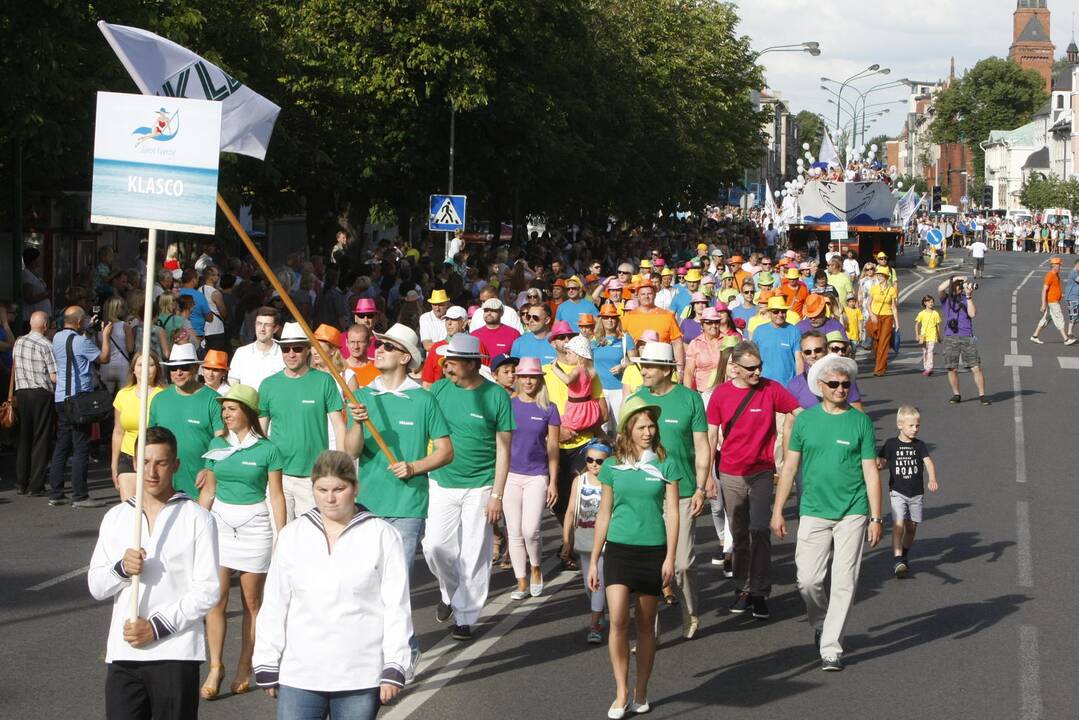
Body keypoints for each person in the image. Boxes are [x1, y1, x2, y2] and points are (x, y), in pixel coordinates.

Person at [253, 450, 412, 719]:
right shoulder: (293, 535)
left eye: (339, 488)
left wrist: (395, 663)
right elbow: (276, 601)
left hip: (359, 676)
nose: (330, 498)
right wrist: (266, 658)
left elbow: (396, 605)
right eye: (322, 489)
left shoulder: (382, 535)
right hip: (300, 674)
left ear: (355, 487)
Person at [88, 426, 220, 720]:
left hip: (175, 654)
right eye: (145, 462)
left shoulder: (197, 518)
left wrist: (156, 627)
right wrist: (122, 570)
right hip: (124, 654)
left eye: (161, 463)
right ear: (134, 463)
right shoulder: (117, 517)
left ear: (175, 465)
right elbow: (96, 586)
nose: (152, 472)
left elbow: (208, 590)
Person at [344, 323, 453, 665]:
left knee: (395, 584)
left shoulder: (424, 399)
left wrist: (414, 467)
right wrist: (358, 423)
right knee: (364, 583)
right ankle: (372, 649)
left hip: (407, 504)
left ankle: (403, 651)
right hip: (366, 505)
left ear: (406, 357)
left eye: (388, 347)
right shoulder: (363, 395)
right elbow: (350, 451)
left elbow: (445, 452)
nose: (378, 350)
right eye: (379, 345)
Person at [771, 354, 883, 672]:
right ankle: (821, 622)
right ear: (820, 386)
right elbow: (790, 466)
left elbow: (871, 473)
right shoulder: (805, 420)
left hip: (853, 510)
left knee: (844, 580)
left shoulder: (860, 421)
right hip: (813, 509)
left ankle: (831, 646)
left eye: (846, 384)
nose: (840, 389)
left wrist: (876, 516)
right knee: (808, 581)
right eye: (833, 384)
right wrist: (778, 510)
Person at [589, 397, 679, 719]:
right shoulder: (612, 466)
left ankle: (641, 689)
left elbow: (672, 511)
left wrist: (670, 557)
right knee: (617, 619)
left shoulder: (666, 464)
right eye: (641, 426)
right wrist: (593, 558)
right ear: (628, 428)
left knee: (644, 625)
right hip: (619, 549)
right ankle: (621, 691)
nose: (648, 431)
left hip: (653, 550)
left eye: (651, 426)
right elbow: (603, 512)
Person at [424, 334, 514, 642]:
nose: (447, 365)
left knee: (474, 553)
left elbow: (504, 450)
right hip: (441, 481)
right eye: (446, 360)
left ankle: (464, 617)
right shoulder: (437, 391)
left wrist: (497, 494)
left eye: (454, 361)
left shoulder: (497, 396)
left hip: (481, 485)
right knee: (434, 546)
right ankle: (451, 593)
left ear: (473, 364)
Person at [200, 385, 286, 700]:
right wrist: (194, 530)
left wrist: (282, 536)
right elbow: (208, 491)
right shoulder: (216, 443)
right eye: (224, 409)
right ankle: (215, 666)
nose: (226, 413)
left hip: (256, 529)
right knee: (216, 599)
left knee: (252, 603)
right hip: (220, 527)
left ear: (247, 412)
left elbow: (275, 495)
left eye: (232, 408)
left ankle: (244, 665)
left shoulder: (268, 449)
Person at [707, 340, 799, 620]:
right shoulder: (720, 395)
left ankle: (759, 591)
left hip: (761, 472)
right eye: (750, 368)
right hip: (731, 473)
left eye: (759, 367)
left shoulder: (771, 389)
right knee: (740, 534)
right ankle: (742, 588)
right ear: (734, 368)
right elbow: (711, 436)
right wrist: (709, 476)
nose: (757, 372)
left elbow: (799, 412)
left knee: (759, 530)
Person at [630, 341, 709, 638]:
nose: (643, 371)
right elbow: (627, 448)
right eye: (642, 366)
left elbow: (702, 445)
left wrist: (702, 486)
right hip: (646, 494)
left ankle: (691, 612)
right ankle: (650, 631)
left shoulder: (690, 399)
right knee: (649, 564)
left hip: (685, 490)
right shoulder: (636, 399)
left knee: (682, 562)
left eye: (648, 366)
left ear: (666, 369)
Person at [259, 322, 346, 521]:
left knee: (313, 537)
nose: (291, 353)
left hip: (314, 475)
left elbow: (339, 427)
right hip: (278, 474)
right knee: (281, 537)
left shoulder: (324, 381)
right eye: (285, 349)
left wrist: (340, 467)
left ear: (307, 350)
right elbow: (261, 433)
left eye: (297, 348)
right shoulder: (268, 385)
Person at [49, 305, 115, 508]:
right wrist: (105, 336)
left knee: (62, 445)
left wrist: (87, 331)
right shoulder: (81, 342)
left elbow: (73, 348)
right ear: (78, 322)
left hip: (61, 397)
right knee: (81, 447)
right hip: (78, 400)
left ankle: (56, 492)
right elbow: (103, 358)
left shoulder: (58, 337)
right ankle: (80, 495)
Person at [506, 357, 560, 600]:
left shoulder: (549, 408)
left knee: (531, 530)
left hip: (537, 475)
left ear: (540, 379)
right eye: (524, 376)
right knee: (514, 531)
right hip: (510, 475)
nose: (528, 381)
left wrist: (554, 481)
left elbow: (554, 447)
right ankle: (521, 581)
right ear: (517, 379)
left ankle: (536, 566)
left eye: (533, 377)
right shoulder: (507, 404)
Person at [150, 344, 224, 502]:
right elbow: (150, 441)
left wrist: (208, 469)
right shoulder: (159, 400)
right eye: (174, 368)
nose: (178, 372)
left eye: (184, 367)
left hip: (200, 488)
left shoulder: (213, 400)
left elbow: (222, 441)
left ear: (196, 369)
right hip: (163, 486)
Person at [877, 405, 938, 579]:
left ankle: (904, 553)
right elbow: (881, 462)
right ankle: (898, 560)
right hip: (897, 491)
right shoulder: (891, 444)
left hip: (916, 493)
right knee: (898, 525)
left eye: (917, 426)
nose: (914, 429)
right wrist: (876, 464)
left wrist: (932, 478)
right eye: (911, 426)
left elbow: (928, 462)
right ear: (900, 425)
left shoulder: (920, 445)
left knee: (911, 528)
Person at [561, 441, 610, 644]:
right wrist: (566, 541)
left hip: (606, 540)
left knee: (597, 580)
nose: (594, 464)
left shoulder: (611, 482)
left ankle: (594, 625)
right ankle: (601, 611)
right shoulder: (579, 481)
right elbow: (571, 511)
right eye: (589, 460)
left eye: (599, 461)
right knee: (588, 586)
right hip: (583, 538)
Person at [13, 311, 57, 496]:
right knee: (41, 438)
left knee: (24, 437)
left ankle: (20, 481)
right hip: (41, 393)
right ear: (45, 325)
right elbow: (53, 376)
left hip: (22, 392)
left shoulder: (19, 342)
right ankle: (36, 484)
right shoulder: (46, 344)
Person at [111, 352, 165, 501]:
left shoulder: (164, 396)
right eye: (141, 364)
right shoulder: (123, 394)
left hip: (155, 458)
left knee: (152, 506)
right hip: (128, 456)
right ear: (133, 369)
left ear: (157, 369)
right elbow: (118, 431)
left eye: (151, 364)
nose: (146, 368)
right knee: (130, 508)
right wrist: (114, 464)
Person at [938, 276, 990, 405]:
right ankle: (956, 394)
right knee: (952, 368)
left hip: (967, 336)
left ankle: (982, 395)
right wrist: (955, 278)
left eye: (961, 285)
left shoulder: (965, 299)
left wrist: (969, 296)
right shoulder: (946, 299)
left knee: (976, 367)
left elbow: (972, 314)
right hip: (950, 336)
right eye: (958, 285)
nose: (960, 287)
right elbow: (940, 288)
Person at [549, 336, 603, 435]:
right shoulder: (588, 370)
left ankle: (572, 434)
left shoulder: (577, 369)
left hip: (576, 409)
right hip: (587, 408)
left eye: (569, 353)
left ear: (578, 355)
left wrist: (554, 368)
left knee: (556, 423)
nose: (566, 356)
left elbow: (568, 380)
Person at [592, 303, 631, 434]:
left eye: (613, 317)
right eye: (606, 317)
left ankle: (620, 453)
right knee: (600, 427)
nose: (609, 320)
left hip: (619, 389)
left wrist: (623, 365)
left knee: (620, 428)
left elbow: (634, 362)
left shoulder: (625, 339)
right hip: (599, 390)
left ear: (617, 319)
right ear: (601, 320)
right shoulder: (594, 340)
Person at [229, 307, 284, 391]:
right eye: (259, 323)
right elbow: (233, 382)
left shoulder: (284, 354)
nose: (262, 329)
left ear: (276, 329)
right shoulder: (241, 352)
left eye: (267, 325)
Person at [750, 296, 801, 386]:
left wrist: (799, 384)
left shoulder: (794, 331)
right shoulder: (759, 331)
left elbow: (798, 359)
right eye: (776, 312)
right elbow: (753, 357)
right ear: (769, 313)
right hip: (764, 384)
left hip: (788, 385)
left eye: (783, 311)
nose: (780, 314)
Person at [1030, 257, 1076, 345]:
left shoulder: (1056, 275)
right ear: (1054, 265)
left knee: (1046, 319)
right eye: (1059, 265)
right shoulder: (1050, 275)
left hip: (1054, 300)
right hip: (1052, 301)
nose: (1060, 267)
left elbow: (1054, 288)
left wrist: (1061, 295)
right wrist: (1043, 304)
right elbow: (1044, 290)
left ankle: (1035, 336)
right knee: (1060, 318)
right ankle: (1066, 339)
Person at [867, 267, 898, 376]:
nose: (878, 277)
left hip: (887, 317)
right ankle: (881, 363)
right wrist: (872, 315)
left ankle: (879, 370)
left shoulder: (892, 290)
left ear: (886, 277)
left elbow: (894, 307)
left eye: (881, 275)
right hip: (875, 317)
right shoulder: (874, 288)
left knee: (883, 344)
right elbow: (868, 304)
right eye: (878, 275)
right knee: (876, 343)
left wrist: (897, 323)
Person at [200, 266, 229, 354]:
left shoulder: (198, 290)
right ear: (211, 277)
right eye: (217, 275)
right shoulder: (215, 293)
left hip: (203, 328)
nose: (219, 277)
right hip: (216, 329)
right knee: (217, 356)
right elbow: (223, 312)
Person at [915, 295, 942, 377]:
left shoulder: (935, 313)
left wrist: (939, 336)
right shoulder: (921, 314)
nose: (931, 303)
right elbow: (917, 324)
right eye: (930, 302)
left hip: (932, 335)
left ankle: (929, 368)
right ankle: (926, 367)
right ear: (925, 303)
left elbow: (938, 326)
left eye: (932, 302)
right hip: (923, 336)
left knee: (930, 351)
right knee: (925, 352)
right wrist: (917, 335)